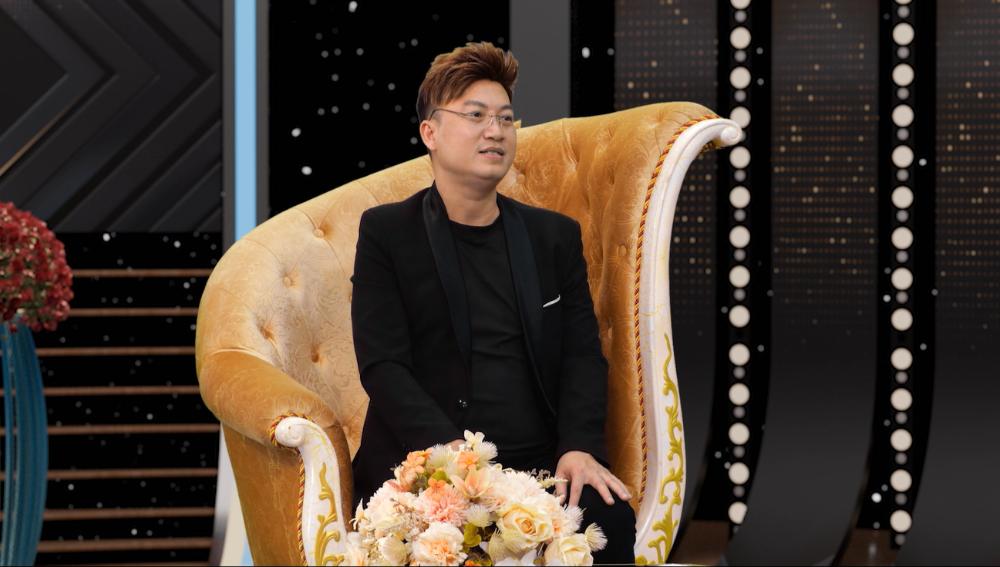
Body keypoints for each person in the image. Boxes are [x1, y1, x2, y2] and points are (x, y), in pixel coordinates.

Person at [350, 41, 636, 563]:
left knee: (610, 517)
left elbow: (581, 355)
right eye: (476, 115)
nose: (496, 130)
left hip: (538, 466)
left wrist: (578, 446)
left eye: (506, 118)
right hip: (432, 462)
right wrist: (452, 458)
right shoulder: (387, 232)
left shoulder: (553, 237)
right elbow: (383, 365)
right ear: (430, 133)